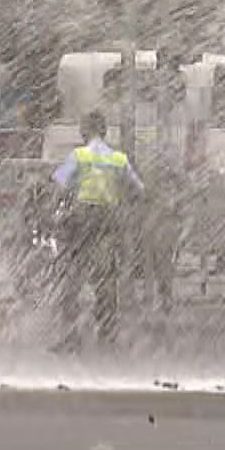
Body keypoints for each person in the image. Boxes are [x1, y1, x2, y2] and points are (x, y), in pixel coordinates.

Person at [50, 110, 143, 349]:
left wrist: (59, 210)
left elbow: (59, 187)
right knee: (106, 280)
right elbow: (138, 190)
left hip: (81, 223)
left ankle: (70, 335)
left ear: (84, 131)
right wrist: (119, 200)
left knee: (72, 279)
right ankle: (107, 332)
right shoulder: (118, 159)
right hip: (107, 223)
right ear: (104, 131)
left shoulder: (79, 156)